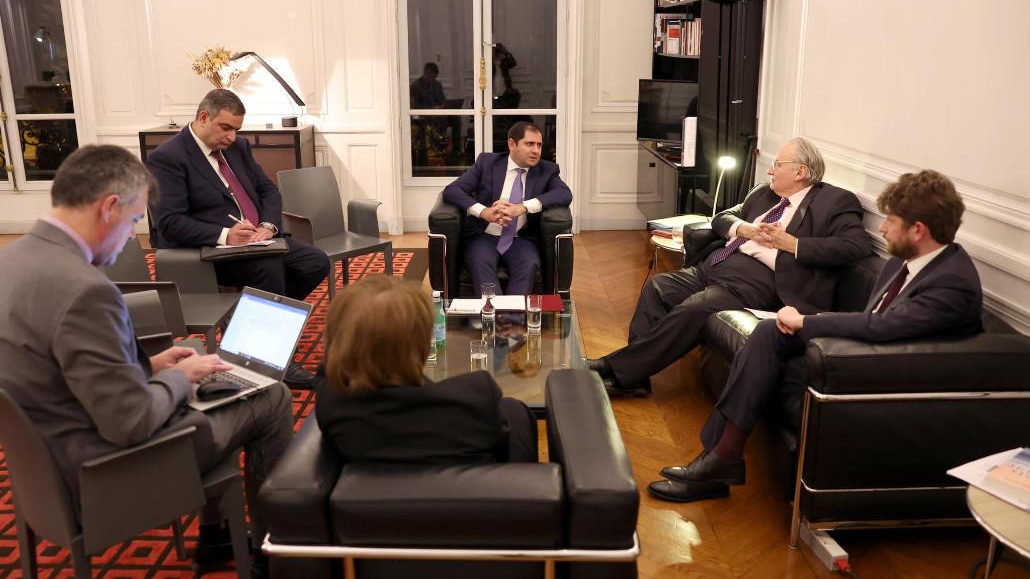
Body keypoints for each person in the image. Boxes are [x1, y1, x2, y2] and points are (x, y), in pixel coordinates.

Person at [0, 145, 293, 577]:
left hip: (41, 465)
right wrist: (179, 377)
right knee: (270, 397)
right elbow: (131, 422)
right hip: (102, 474)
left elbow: (56, 369)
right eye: (134, 221)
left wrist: (151, 367)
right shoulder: (84, 289)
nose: (129, 239)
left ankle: (216, 535)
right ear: (109, 207)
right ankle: (276, 550)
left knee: (214, 391)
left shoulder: (10, 260)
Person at [648, 170, 981, 503]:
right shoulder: (908, 259)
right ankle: (723, 455)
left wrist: (807, 321)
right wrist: (808, 321)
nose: (882, 229)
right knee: (768, 332)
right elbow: (874, 321)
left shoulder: (952, 284)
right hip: (865, 349)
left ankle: (720, 461)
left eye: (891, 221)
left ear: (918, 230)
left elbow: (883, 328)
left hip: (886, 374)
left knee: (780, 333)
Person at [588, 137, 873, 396]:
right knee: (657, 288)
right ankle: (636, 378)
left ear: (800, 172)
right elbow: (721, 218)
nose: (770, 170)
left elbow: (856, 246)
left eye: (777, 165)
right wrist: (744, 229)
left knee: (694, 309)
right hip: (716, 265)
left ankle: (617, 367)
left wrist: (792, 244)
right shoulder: (765, 193)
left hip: (757, 282)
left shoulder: (834, 202)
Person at [315, 275, 537, 464]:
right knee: (515, 412)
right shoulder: (476, 398)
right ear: (421, 344)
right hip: (472, 500)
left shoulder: (329, 402)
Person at [146, 88, 330, 302]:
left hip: (258, 240)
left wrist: (268, 226)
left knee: (315, 262)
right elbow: (170, 223)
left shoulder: (237, 147)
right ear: (204, 117)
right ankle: (264, 316)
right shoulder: (167, 157)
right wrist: (226, 235)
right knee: (269, 268)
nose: (232, 137)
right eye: (226, 128)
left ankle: (257, 313)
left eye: (236, 129)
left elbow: (268, 189)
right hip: (209, 249)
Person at [442, 121, 573, 296]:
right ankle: (492, 311)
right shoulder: (487, 163)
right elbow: (452, 190)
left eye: (539, 145)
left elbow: (564, 194)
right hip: (484, 236)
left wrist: (523, 207)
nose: (536, 150)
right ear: (512, 144)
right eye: (530, 144)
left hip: (521, 239)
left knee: (528, 265)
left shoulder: (547, 170)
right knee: (480, 263)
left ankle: (512, 313)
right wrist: (483, 212)